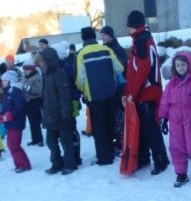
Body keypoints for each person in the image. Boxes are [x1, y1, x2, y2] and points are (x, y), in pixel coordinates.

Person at [123, 10, 170, 175]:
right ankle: (143, 157)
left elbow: (143, 69)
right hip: (145, 91)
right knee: (143, 128)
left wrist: (132, 93)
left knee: (150, 128)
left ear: (132, 26)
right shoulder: (142, 39)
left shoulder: (142, 40)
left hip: (147, 92)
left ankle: (160, 159)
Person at [76, 27, 124, 166]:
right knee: (110, 123)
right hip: (110, 93)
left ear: (83, 38)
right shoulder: (106, 50)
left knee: (99, 127)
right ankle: (111, 151)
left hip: (94, 96)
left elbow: (80, 79)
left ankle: (103, 158)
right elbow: (119, 68)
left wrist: (84, 90)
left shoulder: (81, 54)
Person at [159, 52, 191, 187]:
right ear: (174, 67)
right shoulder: (171, 84)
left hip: (190, 116)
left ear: (189, 65)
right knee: (176, 146)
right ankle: (181, 173)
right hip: (174, 118)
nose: (181, 68)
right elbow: (165, 102)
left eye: (183, 65)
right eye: (178, 65)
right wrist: (163, 118)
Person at [37, 45, 78, 175]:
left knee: (65, 141)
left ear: (49, 60)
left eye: (42, 61)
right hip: (50, 114)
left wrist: (66, 113)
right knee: (50, 141)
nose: (41, 64)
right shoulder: (48, 74)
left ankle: (70, 164)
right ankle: (56, 162)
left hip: (61, 114)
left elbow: (65, 94)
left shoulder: (59, 73)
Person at [0, 71, 31, 173]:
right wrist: (0, 117)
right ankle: (18, 164)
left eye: (5, 81)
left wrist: (11, 114)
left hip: (16, 123)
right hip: (10, 123)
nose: (3, 83)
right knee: (11, 145)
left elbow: (20, 107)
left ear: (11, 81)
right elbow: (6, 106)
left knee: (14, 145)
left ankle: (24, 165)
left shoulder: (16, 91)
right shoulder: (8, 91)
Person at [100, 25, 127, 154]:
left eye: (104, 35)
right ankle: (116, 144)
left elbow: (121, 68)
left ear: (110, 35)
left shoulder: (118, 50)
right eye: (101, 35)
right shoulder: (103, 50)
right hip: (109, 89)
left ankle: (122, 144)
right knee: (112, 119)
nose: (102, 37)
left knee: (119, 119)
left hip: (119, 89)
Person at [21, 61, 44, 146]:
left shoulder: (37, 77)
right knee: (31, 122)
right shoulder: (24, 77)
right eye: (24, 69)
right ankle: (35, 139)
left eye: (27, 69)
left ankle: (40, 139)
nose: (25, 71)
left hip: (34, 101)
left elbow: (38, 90)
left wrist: (27, 88)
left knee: (36, 122)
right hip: (27, 102)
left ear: (31, 69)